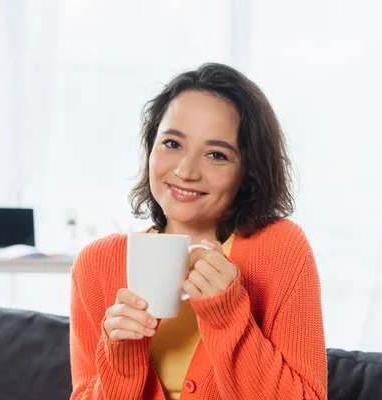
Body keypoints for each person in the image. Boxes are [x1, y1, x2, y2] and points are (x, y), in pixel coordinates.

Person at [69, 63, 327, 400]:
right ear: (150, 147)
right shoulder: (97, 263)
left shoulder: (280, 249)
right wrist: (121, 361)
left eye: (217, 154)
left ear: (247, 172)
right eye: (172, 144)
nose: (186, 171)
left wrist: (228, 316)